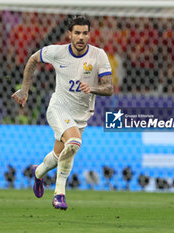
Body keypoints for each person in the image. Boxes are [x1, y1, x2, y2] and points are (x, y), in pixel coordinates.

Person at [11, 15, 113, 210]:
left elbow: (109, 88)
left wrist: (92, 88)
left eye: (85, 33)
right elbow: (33, 59)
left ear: (89, 34)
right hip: (59, 108)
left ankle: (38, 172)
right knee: (74, 143)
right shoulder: (57, 52)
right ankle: (59, 194)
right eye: (77, 33)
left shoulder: (98, 55)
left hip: (81, 115)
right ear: (69, 34)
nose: (81, 37)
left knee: (59, 155)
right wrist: (25, 89)